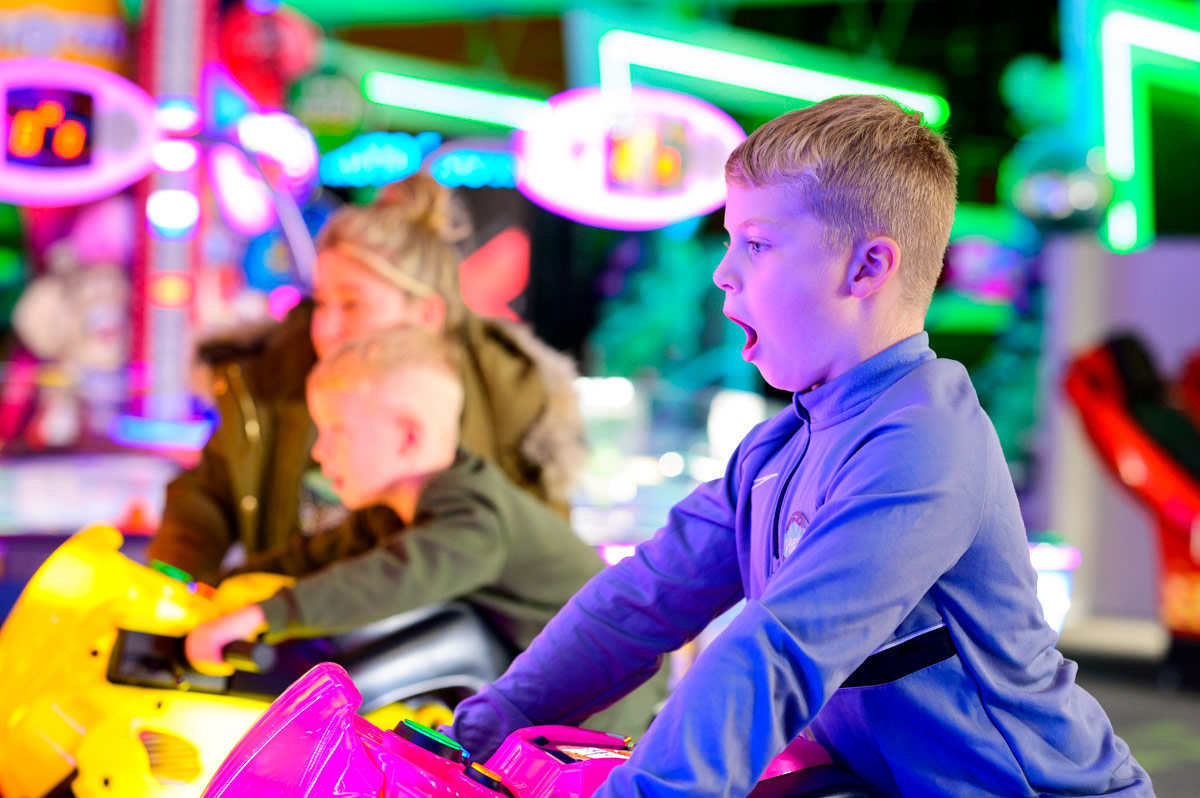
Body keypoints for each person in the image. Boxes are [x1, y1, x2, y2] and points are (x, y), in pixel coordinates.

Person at [447, 96, 1153, 797]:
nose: (724, 273)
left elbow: (779, 651)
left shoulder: (926, 444)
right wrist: (484, 728)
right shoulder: (779, 446)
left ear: (867, 268)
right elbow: (642, 599)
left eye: (755, 244)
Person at [184, 327, 664, 736]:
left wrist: (265, 615)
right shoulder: (392, 511)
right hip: (541, 686)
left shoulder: (474, 516)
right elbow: (310, 558)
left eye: (335, 430)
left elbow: (387, 579)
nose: (319, 452)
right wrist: (215, 592)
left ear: (408, 437)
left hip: (607, 699)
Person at [148, 176, 585, 585]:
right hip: (287, 642)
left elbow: (533, 561)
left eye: (353, 305)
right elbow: (206, 497)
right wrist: (172, 588)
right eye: (321, 302)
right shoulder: (271, 375)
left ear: (426, 315)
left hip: (446, 650)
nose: (327, 327)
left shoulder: (509, 395)